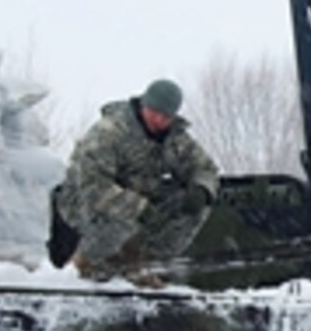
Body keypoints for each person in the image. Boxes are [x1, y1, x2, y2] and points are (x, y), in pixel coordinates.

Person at [52, 79, 220, 285]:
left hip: (141, 198)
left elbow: (205, 168)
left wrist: (201, 189)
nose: (158, 120)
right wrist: (140, 209)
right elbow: (93, 187)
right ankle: (85, 264)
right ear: (143, 105)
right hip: (85, 203)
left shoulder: (173, 137)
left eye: (165, 116)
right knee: (122, 217)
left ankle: (140, 264)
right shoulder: (109, 132)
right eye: (153, 111)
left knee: (192, 208)